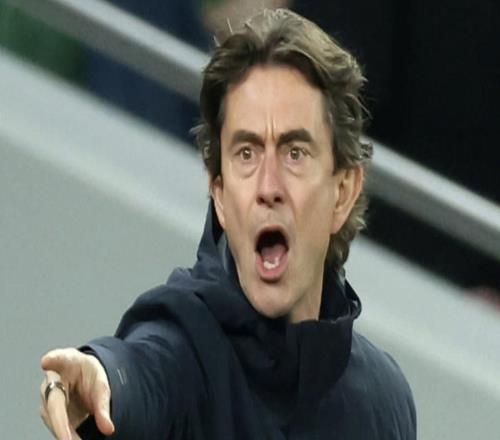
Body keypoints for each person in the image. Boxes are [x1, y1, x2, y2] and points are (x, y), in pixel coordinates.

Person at [39, 9, 416, 440]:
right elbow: (143, 370)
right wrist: (103, 375)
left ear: (343, 191)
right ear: (219, 194)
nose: (268, 187)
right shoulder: (186, 349)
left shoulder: (383, 403)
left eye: (294, 153)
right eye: (246, 154)